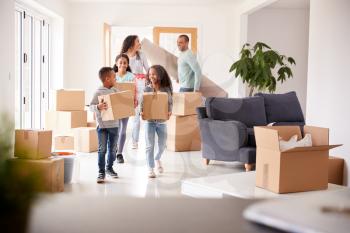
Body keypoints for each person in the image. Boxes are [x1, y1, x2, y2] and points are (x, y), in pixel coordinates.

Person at [141, 65, 173, 178]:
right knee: (149, 145)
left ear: (160, 74)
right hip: (150, 121)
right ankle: (150, 168)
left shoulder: (166, 89)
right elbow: (142, 104)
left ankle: (157, 158)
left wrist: (170, 111)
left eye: (153, 74)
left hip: (162, 121)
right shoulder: (146, 89)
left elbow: (170, 103)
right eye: (149, 74)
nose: (151, 76)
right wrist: (141, 112)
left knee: (162, 145)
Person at [89, 67, 119, 183]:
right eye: (113, 77)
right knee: (102, 149)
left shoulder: (115, 91)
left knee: (113, 150)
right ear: (107, 79)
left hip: (114, 125)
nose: (115, 79)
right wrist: (98, 107)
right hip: (102, 126)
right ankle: (101, 172)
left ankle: (109, 168)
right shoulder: (98, 92)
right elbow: (91, 106)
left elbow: (120, 106)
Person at [121, 35, 149, 150]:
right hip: (126, 88)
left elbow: (148, 70)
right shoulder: (123, 57)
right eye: (138, 41)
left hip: (140, 88)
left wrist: (148, 79)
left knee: (137, 116)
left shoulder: (141, 55)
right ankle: (120, 141)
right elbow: (118, 72)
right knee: (124, 116)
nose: (139, 43)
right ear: (132, 43)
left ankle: (135, 141)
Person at [113, 54, 135, 164]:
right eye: (120, 62)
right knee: (115, 129)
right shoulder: (113, 75)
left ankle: (119, 153)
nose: (122, 64)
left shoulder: (131, 76)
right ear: (116, 64)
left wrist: (135, 101)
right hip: (115, 105)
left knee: (123, 129)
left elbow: (134, 90)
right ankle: (114, 149)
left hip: (126, 105)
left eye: (125, 62)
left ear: (128, 64)